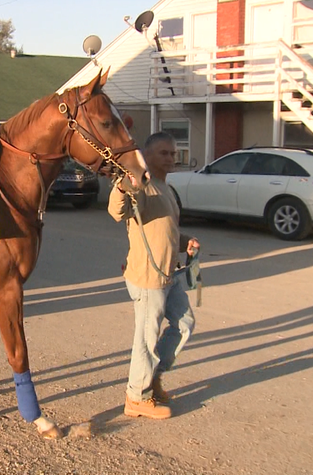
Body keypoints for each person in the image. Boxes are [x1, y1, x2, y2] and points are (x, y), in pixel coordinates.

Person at [108, 131, 198, 419]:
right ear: (147, 156)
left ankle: (153, 376)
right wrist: (123, 187)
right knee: (146, 338)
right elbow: (117, 211)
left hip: (168, 275)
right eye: (164, 153)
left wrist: (186, 243)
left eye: (173, 153)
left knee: (184, 324)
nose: (171, 158)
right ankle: (137, 397)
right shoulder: (142, 187)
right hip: (148, 277)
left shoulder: (166, 189)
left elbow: (165, 231)